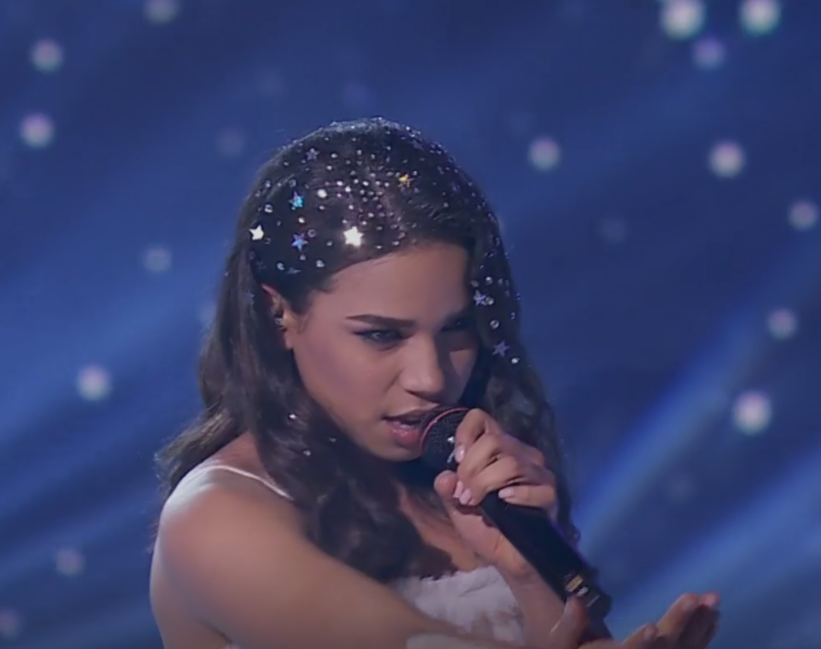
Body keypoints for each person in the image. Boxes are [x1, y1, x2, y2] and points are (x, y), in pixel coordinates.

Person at [150, 118, 720, 649]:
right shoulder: (212, 517)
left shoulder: (471, 477)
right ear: (280, 315)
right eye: (381, 335)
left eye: (457, 329)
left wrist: (529, 570)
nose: (431, 377)